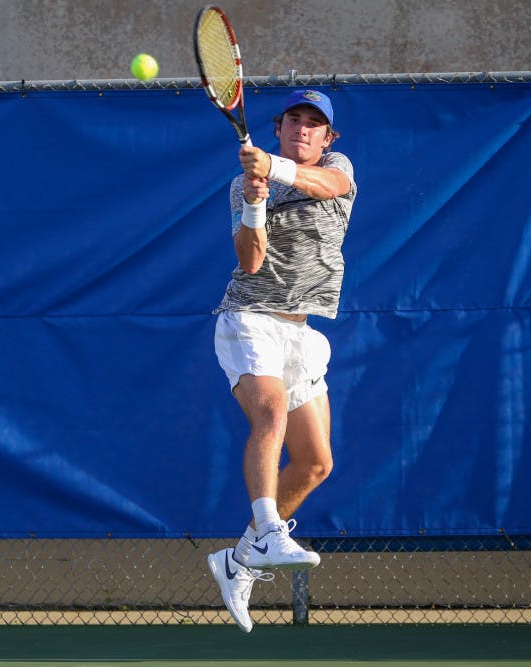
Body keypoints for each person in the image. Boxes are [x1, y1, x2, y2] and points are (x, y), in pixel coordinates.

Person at [206, 89, 357, 632]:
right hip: (250, 317)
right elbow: (250, 261)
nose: (304, 128)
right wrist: (253, 199)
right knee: (269, 413)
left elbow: (327, 185)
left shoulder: (338, 167)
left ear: (327, 138)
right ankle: (269, 528)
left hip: (302, 330)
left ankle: (239, 559)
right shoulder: (242, 184)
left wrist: (274, 167)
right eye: (295, 118)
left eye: (315, 124)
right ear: (280, 125)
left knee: (317, 462)